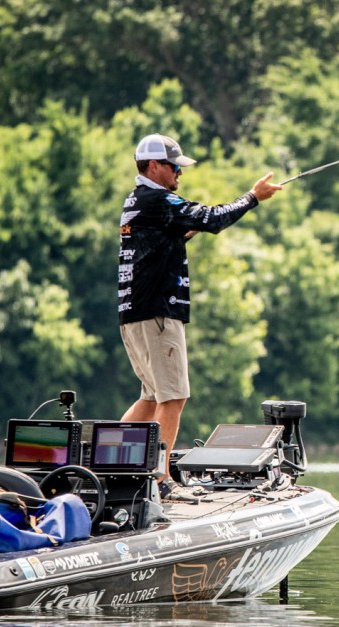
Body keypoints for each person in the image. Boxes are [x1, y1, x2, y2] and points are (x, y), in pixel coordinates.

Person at [117, 133, 281, 500]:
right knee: (173, 397)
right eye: (174, 167)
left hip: (134, 314)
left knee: (151, 398)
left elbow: (162, 239)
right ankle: (160, 481)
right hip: (158, 315)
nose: (180, 173)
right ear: (154, 167)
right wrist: (253, 197)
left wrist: (187, 230)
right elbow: (211, 218)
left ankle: (110, 468)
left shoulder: (136, 201)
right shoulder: (159, 200)